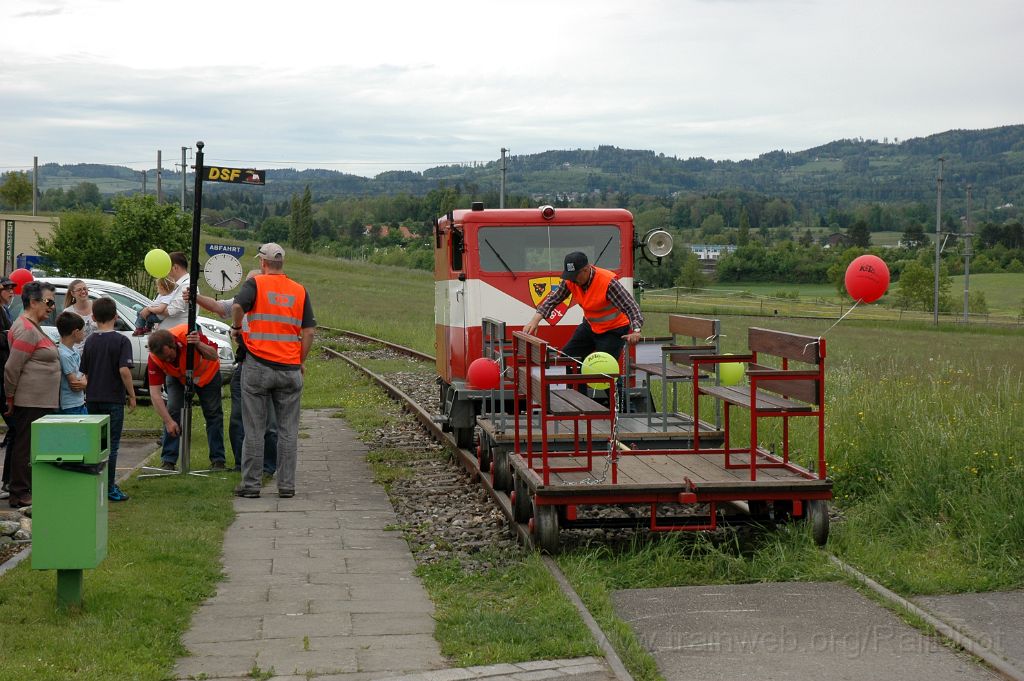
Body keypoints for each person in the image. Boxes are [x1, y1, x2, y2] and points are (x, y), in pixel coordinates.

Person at [231, 243, 315, 499]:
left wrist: (237, 329)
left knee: (254, 428)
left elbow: (236, 307)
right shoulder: (299, 290)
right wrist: (299, 360)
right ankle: (286, 485)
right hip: (289, 369)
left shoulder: (256, 284)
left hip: (258, 366)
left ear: (263, 263)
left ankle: (251, 485)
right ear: (282, 263)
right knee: (288, 431)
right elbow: (309, 332)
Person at [188, 276, 279, 475]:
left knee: (269, 422)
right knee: (238, 418)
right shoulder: (241, 302)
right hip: (244, 364)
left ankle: (268, 467)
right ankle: (241, 464)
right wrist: (195, 297)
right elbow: (218, 307)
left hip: (269, 366)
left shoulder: (272, 307)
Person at [522, 251, 644, 366]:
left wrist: (636, 331)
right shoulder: (570, 281)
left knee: (604, 368)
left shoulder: (608, 282)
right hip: (590, 326)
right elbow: (554, 299)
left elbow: (631, 307)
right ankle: (577, 389)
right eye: (569, 276)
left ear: (586, 270)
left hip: (613, 330)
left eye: (575, 275)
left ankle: (616, 389)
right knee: (568, 359)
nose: (572, 280)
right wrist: (535, 320)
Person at [3, 281, 60, 508]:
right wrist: (10, 397)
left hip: (39, 400)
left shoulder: (33, 327)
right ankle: (20, 492)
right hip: (30, 400)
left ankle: (26, 488)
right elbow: (12, 367)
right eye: (49, 302)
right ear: (33, 302)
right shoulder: (26, 330)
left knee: (30, 445)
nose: (52, 307)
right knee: (25, 446)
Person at [146, 325, 227, 471]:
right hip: (178, 378)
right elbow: (155, 394)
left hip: (207, 375)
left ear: (173, 345)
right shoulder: (155, 358)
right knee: (173, 412)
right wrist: (169, 422)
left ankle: (218, 460)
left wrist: (198, 344)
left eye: (170, 356)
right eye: (164, 360)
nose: (168, 361)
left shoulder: (188, 335)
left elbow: (214, 355)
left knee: (213, 415)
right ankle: (168, 461)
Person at [81, 297, 137, 502]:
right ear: (116, 316)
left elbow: (85, 374)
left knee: (96, 443)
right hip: (113, 399)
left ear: (94, 318)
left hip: (93, 397)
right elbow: (124, 370)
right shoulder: (122, 341)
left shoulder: (90, 341)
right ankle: (110, 487)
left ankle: (95, 483)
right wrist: (131, 394)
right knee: (112, 445)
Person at [0, 276, 17, 500]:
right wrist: (9, 336)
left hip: (5, 380)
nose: (11, 291)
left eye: (13, 288)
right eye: (7, 288)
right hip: (1, 382)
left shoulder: (6, 311)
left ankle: (9, 480)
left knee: (15, 429)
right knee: (16, 428)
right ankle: (10, 481)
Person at [55, 311, 88, 415]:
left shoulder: (75, 351)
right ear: (76, 332)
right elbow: (75, 384)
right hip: (70, 406)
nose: (85, 333)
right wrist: (86, 382)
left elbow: (82, 374)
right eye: (83, 331)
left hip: (79, 403)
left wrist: (84, 379)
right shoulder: (64, 355)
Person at [160, 252, 192, 330]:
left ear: (175, 267)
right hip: (170, 334)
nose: (166, 272)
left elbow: (171, 311)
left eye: (167, 268)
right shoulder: (180, 285)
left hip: (175, 336)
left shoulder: (186, 285)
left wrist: (150, 309)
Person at [63, 279, 97, 351]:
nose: (83, 291)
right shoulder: (68, 312)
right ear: (72, 293)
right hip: (77, 355)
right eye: (79, 290)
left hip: (96, 353)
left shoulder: (96, 306)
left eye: (85, 289)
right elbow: (64, 337)